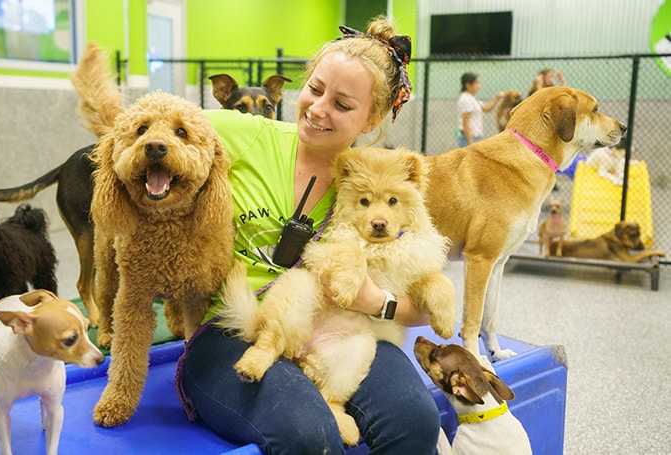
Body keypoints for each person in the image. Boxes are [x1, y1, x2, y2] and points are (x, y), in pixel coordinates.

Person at [176, 17, 441, 454]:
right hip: (235, 327)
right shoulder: (246, 133)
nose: (318, 109)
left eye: (341, 103)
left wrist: (376, 301)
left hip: (344, 330)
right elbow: (155, 122)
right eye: (315, 90)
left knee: (415, 421)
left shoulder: (377, 184)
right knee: (308, 435)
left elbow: (424, 306)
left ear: (372, 118)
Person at [455, 72, 503, 147]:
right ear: (468, 85)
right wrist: (471, 143)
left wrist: (497, 97)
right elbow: (465, 123)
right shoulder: (465, 100)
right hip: (468, 138)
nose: (479, 86)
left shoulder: (472, 98)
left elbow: (487, 108)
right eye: (476, 83)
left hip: (474, 137)